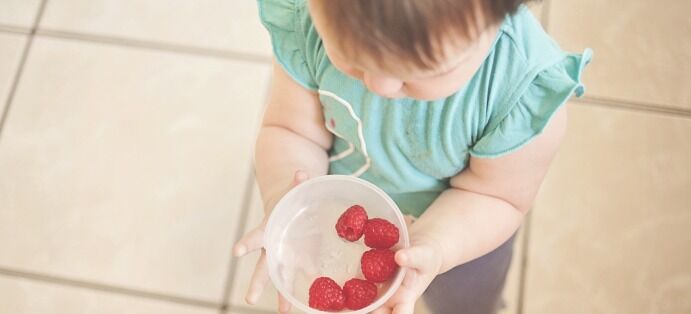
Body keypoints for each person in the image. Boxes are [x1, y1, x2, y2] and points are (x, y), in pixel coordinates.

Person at [233, 0, 591, 313]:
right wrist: (286, 197)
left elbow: (496, 196)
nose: (380, 86)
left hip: (463, 236)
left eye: (422, 72)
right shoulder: (310, 18)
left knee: (465, 305)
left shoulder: (520, 91)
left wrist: (435, 245)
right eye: (350, 56)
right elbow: (292, 130)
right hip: (343, 210)